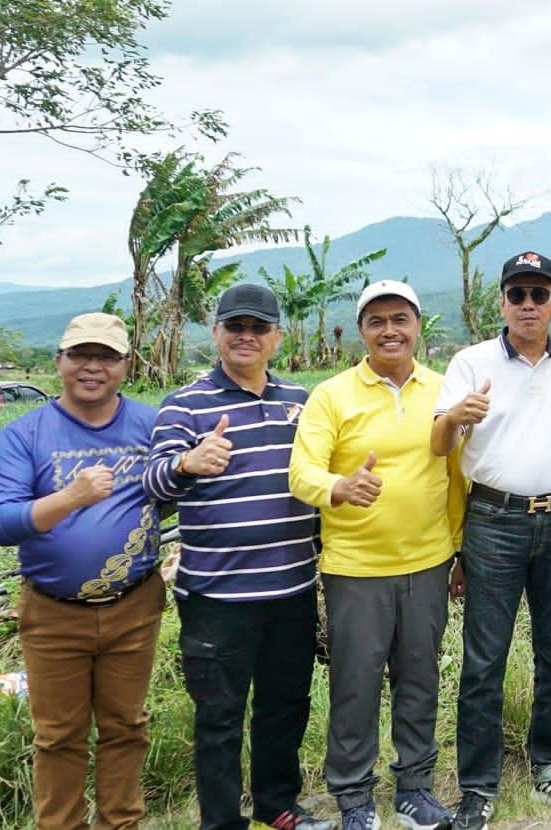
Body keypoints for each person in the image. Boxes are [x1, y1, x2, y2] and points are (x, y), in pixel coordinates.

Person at [143, 284, 330, 830]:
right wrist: (187, 463)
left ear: (277, 337)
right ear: (216, 333)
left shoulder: (301, 401)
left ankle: (277, 805)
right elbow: (152, 485)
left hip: (292, 589)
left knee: (285, 704)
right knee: (219, 717)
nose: (246, 336)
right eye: (235, 326)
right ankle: (222, 822)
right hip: (217, 598)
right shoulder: (185, 404)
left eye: (258, 328)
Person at [432, 252, 551, 830]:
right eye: (517, 294)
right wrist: (455, 416)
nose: (527, 304)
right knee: (484, 659)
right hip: (493, 521)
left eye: (538, 294)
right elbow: (439, 443)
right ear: (502, 302)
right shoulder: (470, 363)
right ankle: (478, 785)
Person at [288, 280, 466, 830]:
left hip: (428, 564)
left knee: (420, 680)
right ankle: (354, 796)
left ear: (418, 327)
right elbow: (301, 472)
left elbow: (456, 478)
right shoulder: (332, 395)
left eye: (400, 320)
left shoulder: (444, 390)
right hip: (356, 570)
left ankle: (414, 789)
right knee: (355, 685)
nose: (390, 331)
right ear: (362, 331)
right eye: (377, 321)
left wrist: (459, 550)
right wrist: (338, 486)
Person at [0, 313, 162, 830]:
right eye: (81, 354)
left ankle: (120, 823)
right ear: (59, 361)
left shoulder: (152, 426)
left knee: (127, 726)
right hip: (53, 614)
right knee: (58, 736)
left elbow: (175, 489)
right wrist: (71, 497)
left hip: (134, 604)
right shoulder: (24, 434)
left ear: (125, 365)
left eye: (107, 357)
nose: (92, 367)